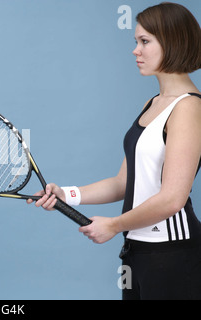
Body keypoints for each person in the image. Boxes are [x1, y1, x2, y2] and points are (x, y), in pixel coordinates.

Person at [28, 2, 201, 299]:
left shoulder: (188, 107)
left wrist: (114, 225)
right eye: (136, 41)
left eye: (145, 41)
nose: (136, 50)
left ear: (173, 42)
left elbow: (173, 198)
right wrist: (66, 195)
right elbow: (123, 183)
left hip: (173, 254)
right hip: (137, 250)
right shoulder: (153, 104)